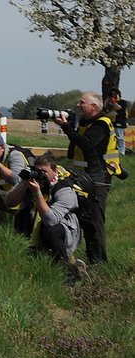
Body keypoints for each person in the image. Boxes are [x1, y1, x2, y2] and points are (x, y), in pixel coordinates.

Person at [55, 92, 123, 263]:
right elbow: (75, 149)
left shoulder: (101, 124)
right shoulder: (87, 122)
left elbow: (86, 143)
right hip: (83, 177)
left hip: (98, 178)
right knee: (82, 217)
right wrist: (71, 126)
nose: (78, 105)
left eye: (82, 102)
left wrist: (65, 127)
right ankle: (85, 256)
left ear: (94, 107)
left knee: (94, 220)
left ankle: (99, 261)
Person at [4, 153, 86, 278]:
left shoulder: (64, 189)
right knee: (23, 214)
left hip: (64, 231)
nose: (40, 175)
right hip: (35, 225)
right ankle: (34, 252)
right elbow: (9, 202)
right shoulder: (31, 180)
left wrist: (37, 193)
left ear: (54, 170)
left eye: (44, 172)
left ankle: (66, 269)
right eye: (37, 171)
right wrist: (24, 184)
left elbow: (50, 220)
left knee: (50, 229)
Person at [105, 87, 127, 156]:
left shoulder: (122, 102)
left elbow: (119, 108)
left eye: (114, 94)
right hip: (111, 122)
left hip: (119, 122)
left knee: (119, 137)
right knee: (110, 137)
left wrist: (113, 101)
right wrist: (108, 99)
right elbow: (104, 107)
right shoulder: (109, 103)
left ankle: (121, 152)